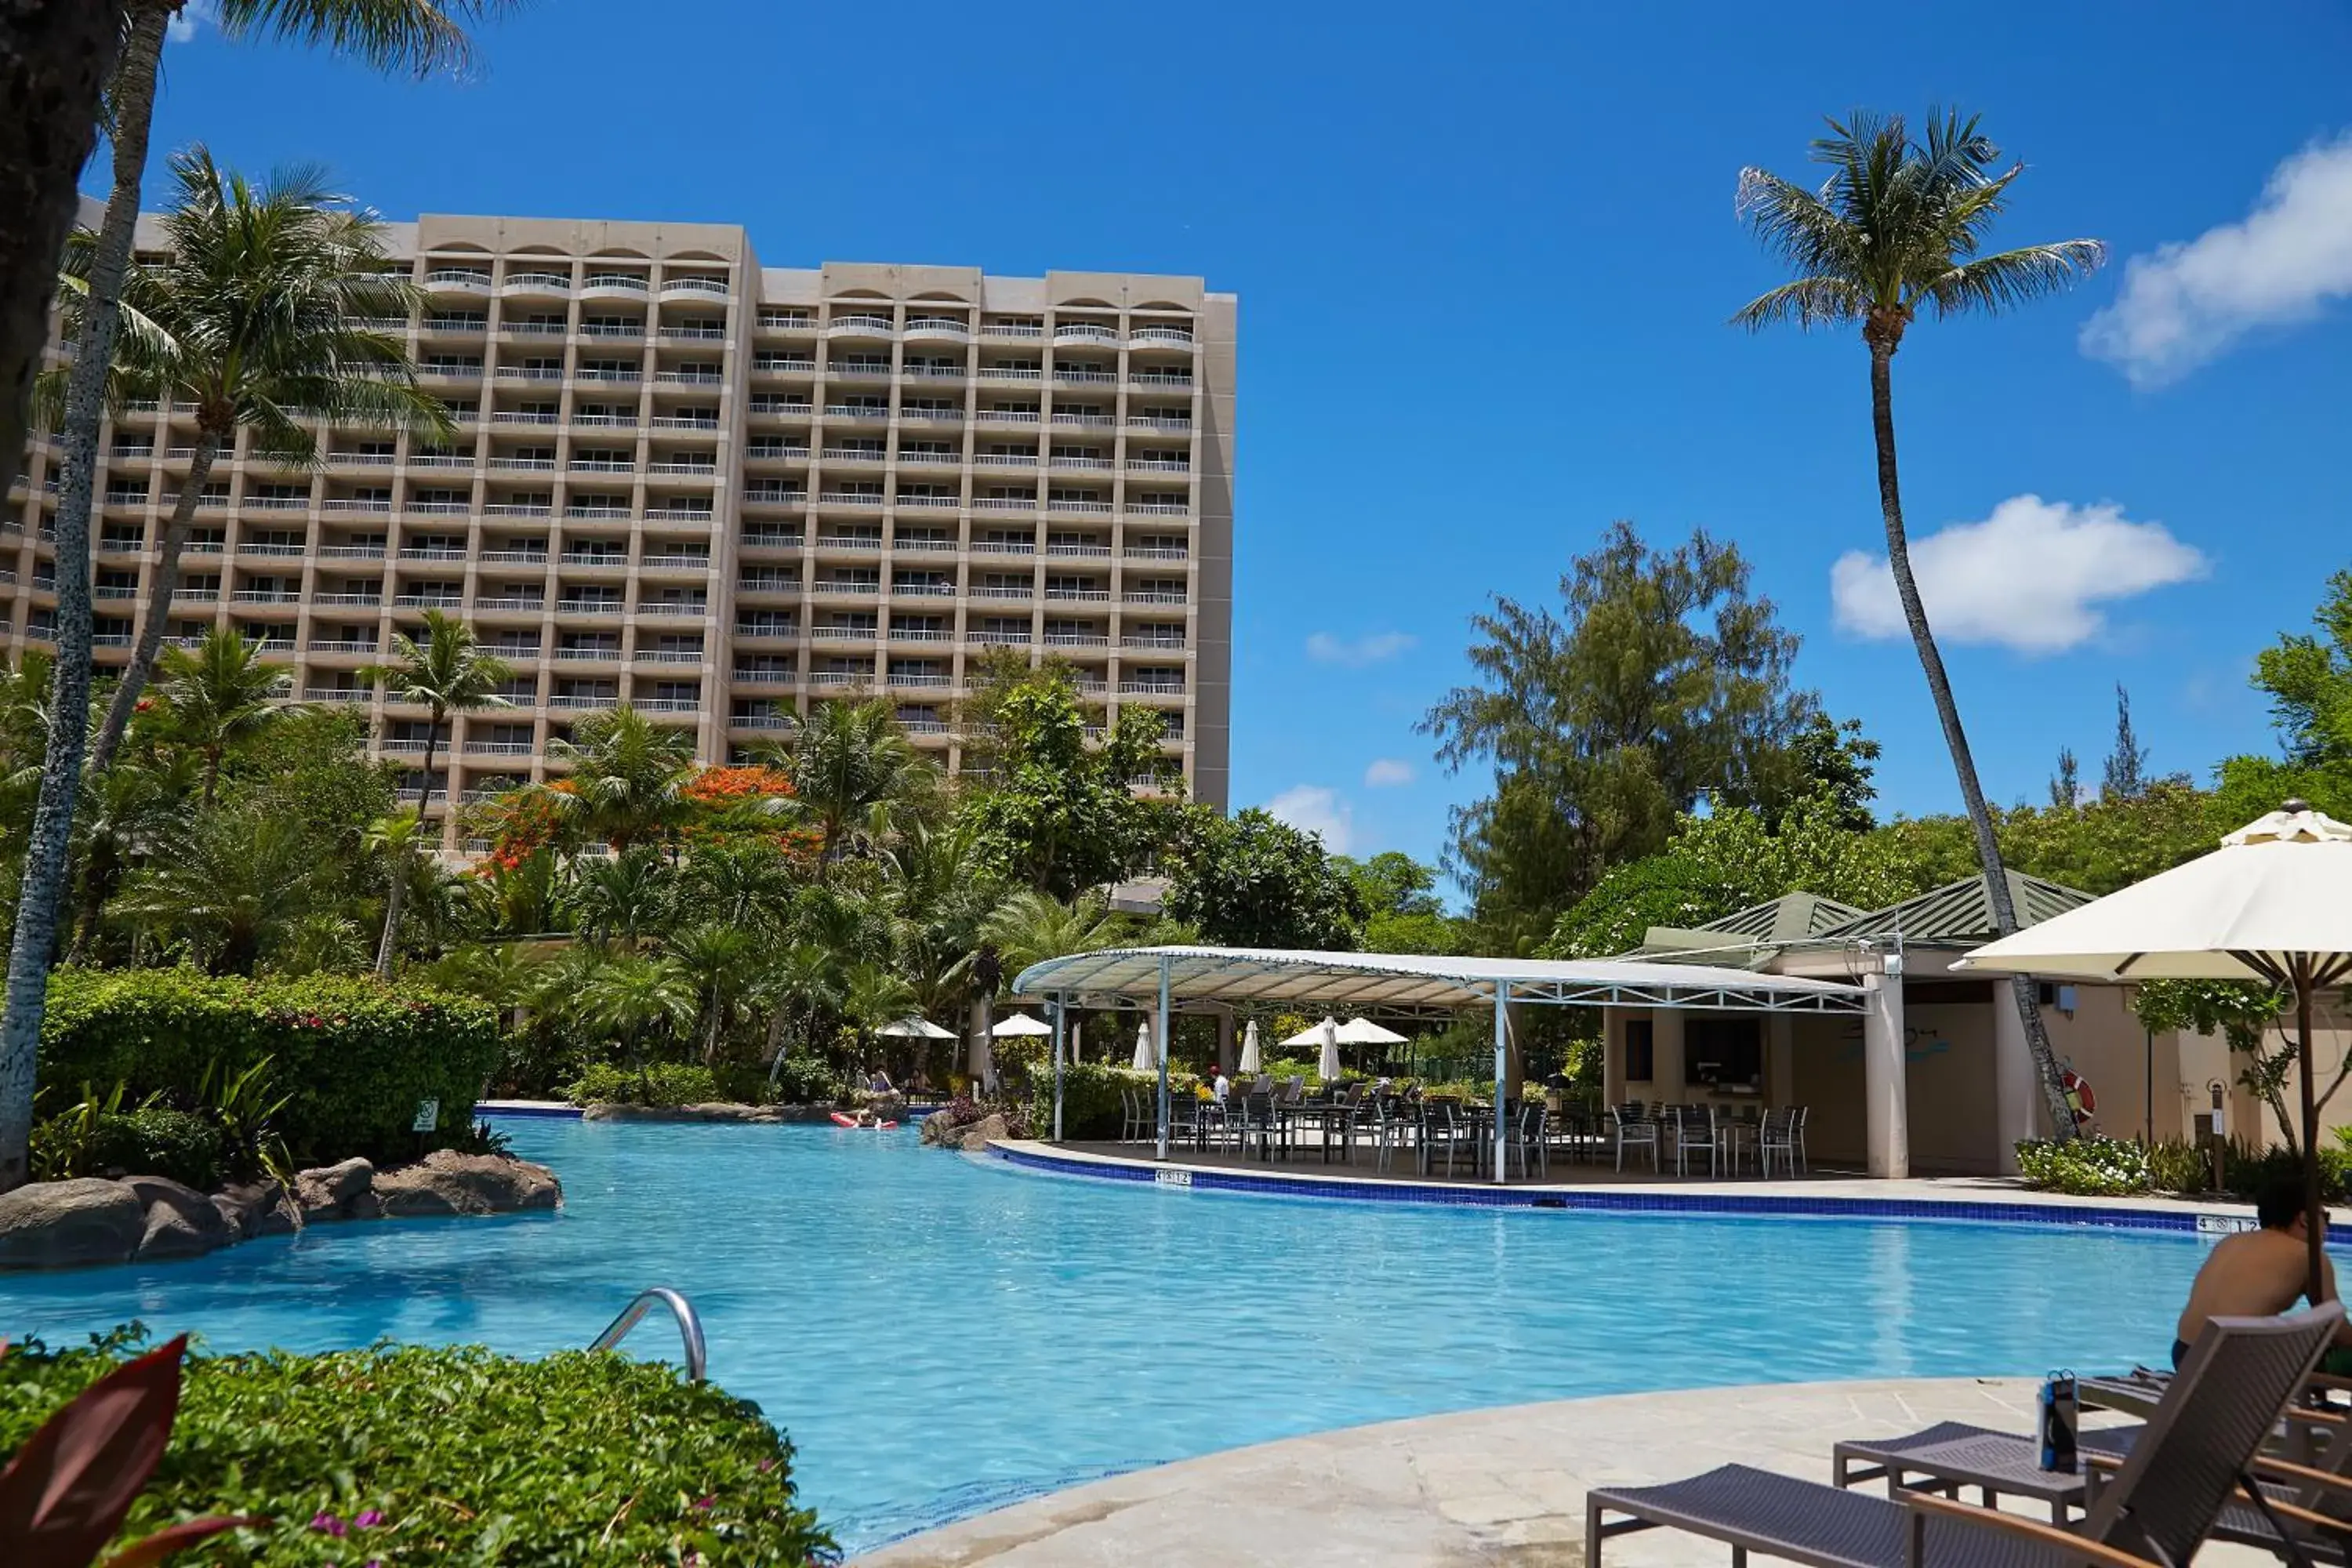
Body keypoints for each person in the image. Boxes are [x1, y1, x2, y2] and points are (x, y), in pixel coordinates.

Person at [2175, 1176, 2352, 1368]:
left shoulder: (2231, 1241)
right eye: (2325, 1217)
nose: (2327, 1228)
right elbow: (2338, 1331)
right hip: (2233, 1365)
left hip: (2184, 1356)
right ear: (2305, 1219)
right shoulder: (2309, 1256)